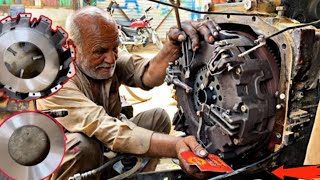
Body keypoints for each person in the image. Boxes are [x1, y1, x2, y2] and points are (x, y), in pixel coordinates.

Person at [37, 6, 220, 180]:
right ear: (72, 48)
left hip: (105, 149)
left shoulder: (108, 61)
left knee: (158, 118)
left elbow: (148, 75)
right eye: (100, 51)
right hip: (73, 159)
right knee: (82, 146)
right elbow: (106, 127)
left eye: (114, 48)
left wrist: (172, 47)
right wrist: (176, 146)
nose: (110, 59)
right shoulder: (54, 80)